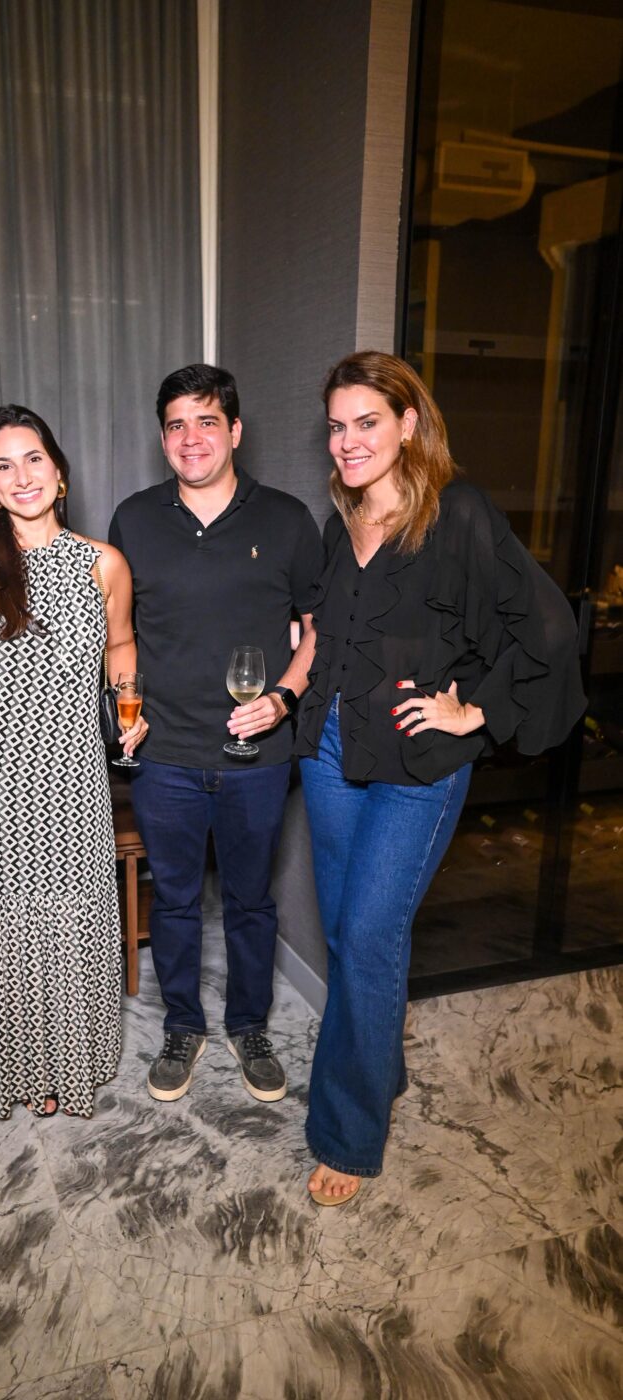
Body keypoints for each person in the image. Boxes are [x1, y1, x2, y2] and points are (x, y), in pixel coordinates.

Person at [296, 350, 586, 1206]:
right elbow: (327, 635)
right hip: (331, 751)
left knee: (371, 933)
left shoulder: (456, 512)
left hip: (417, 763)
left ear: (408, 423)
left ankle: (349, 1137)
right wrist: (289, 692)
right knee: (347, 936)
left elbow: (547, 626)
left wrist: (478, 712)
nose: (349, 441)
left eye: (367, 422)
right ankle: (378, 1069)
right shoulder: (340, 522)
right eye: (337, 426)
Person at [0, 405, 146, 1120]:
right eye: (3, 465)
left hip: (69, 771)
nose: (22, 476)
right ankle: (3, 1061)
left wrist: (128, 701)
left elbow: (120, 645)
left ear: (60, 472)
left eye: (33, 459)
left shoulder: (103, 563)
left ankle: (60, 1059)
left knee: (64, 912)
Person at [109, 364, 323, 1104]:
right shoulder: (134, 520)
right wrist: (124, 709)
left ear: (234, 431)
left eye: (206, 421)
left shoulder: (287, 520)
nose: (191, 438)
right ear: (162, 437)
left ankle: (249, 1025)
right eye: (176, 424)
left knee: (249, 901)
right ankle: (181, 1025)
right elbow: (119, 636)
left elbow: (318, 630)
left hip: (256, 755)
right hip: (163, 754)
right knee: (172, 901)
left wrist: (284, 699)